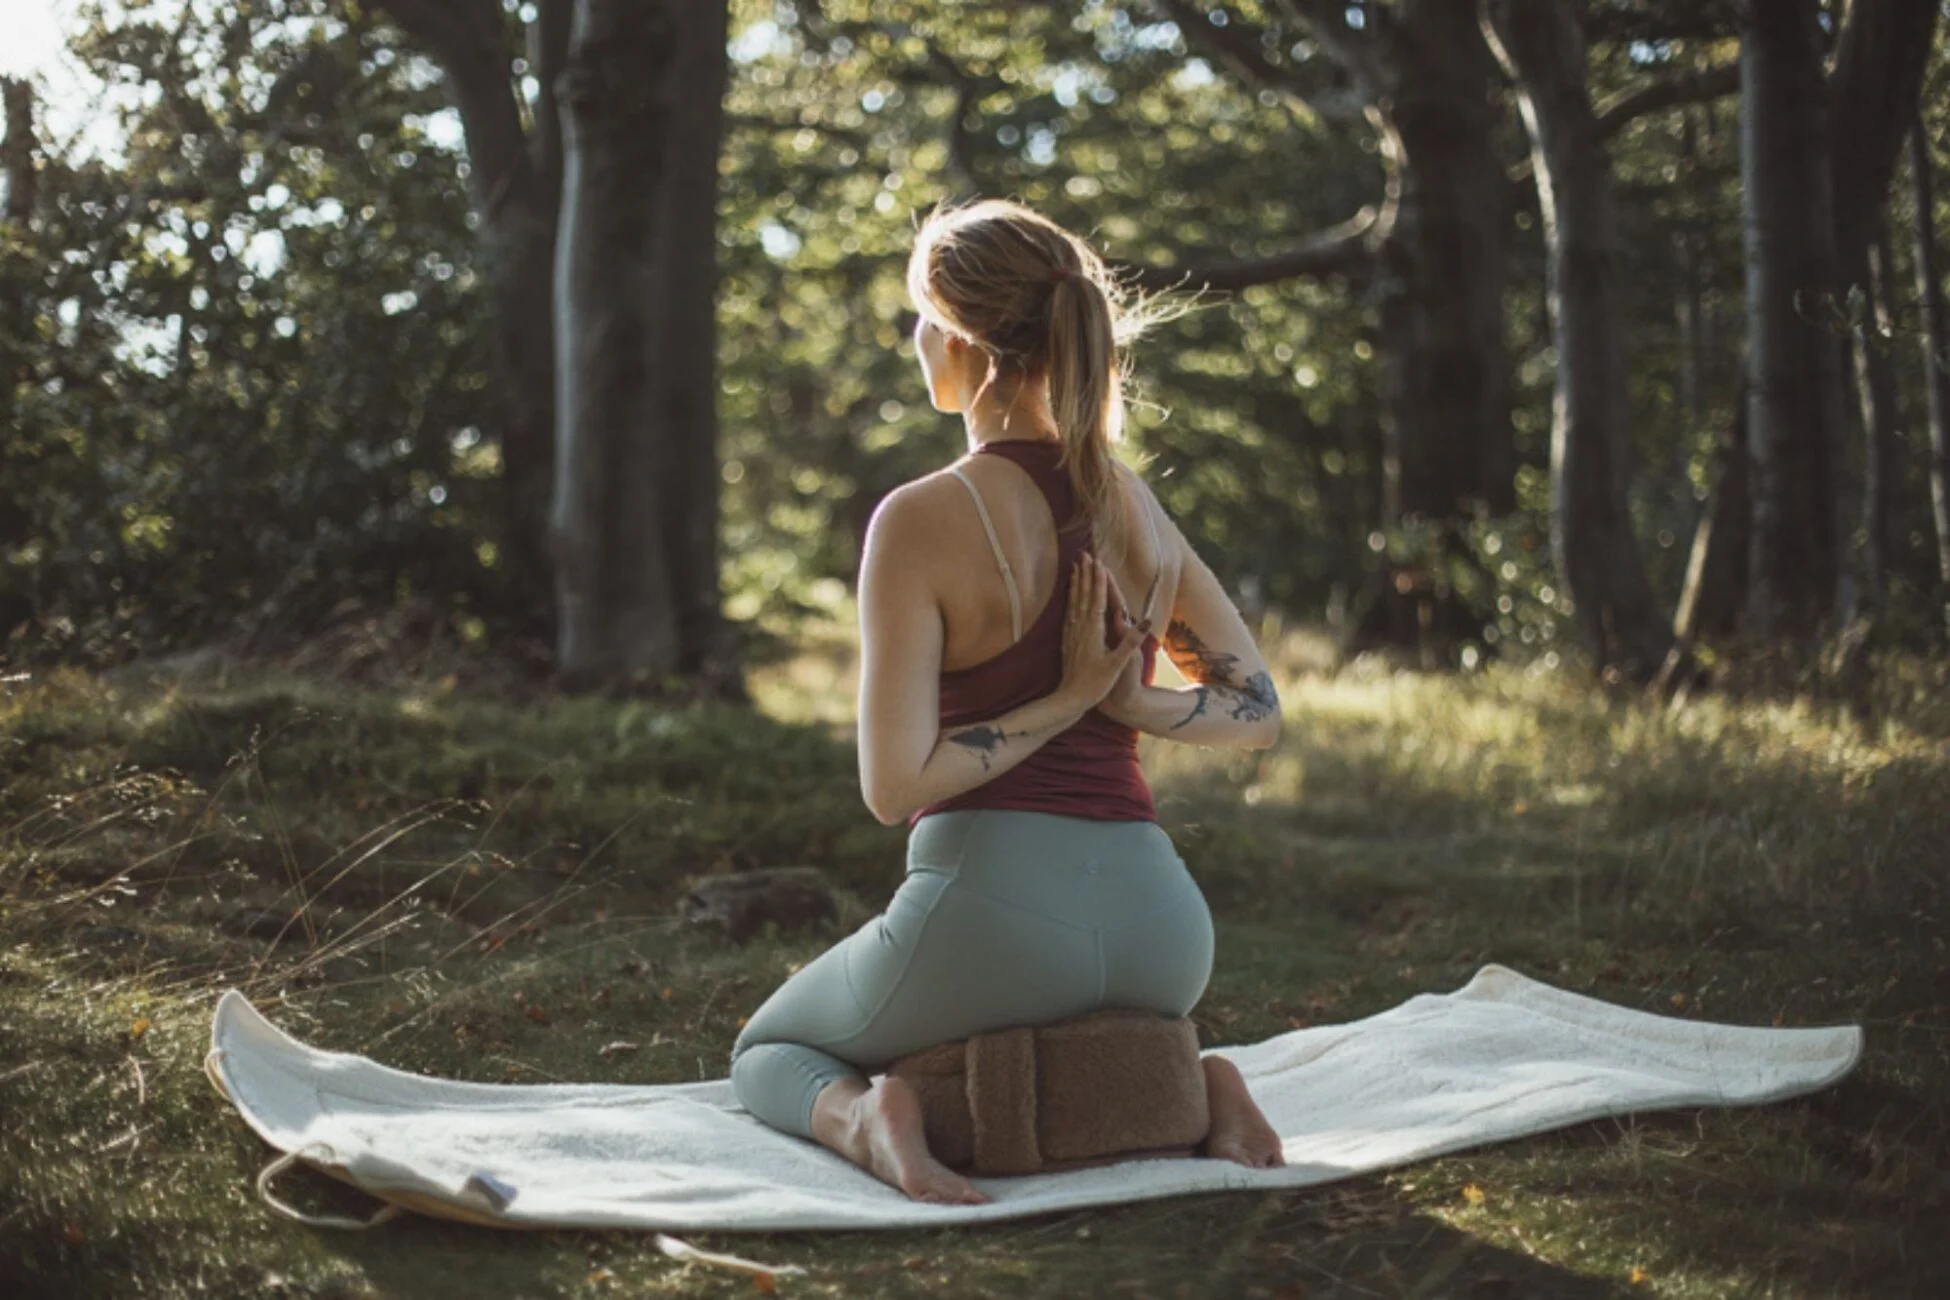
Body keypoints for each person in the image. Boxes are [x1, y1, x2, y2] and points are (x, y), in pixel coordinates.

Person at [729, 197, 1286, 1204]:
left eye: (919, 320)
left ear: (958, 342)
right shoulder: (1135, 508)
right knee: (1026, 1029)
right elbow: (1258, 709)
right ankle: (1192, 1089)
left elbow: (895, 787)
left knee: (773, 1045)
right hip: (1165, 933)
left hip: (992, 914)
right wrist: (1135, 702)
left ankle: (867, 1121)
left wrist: (1076, 695)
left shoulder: (921, 518)